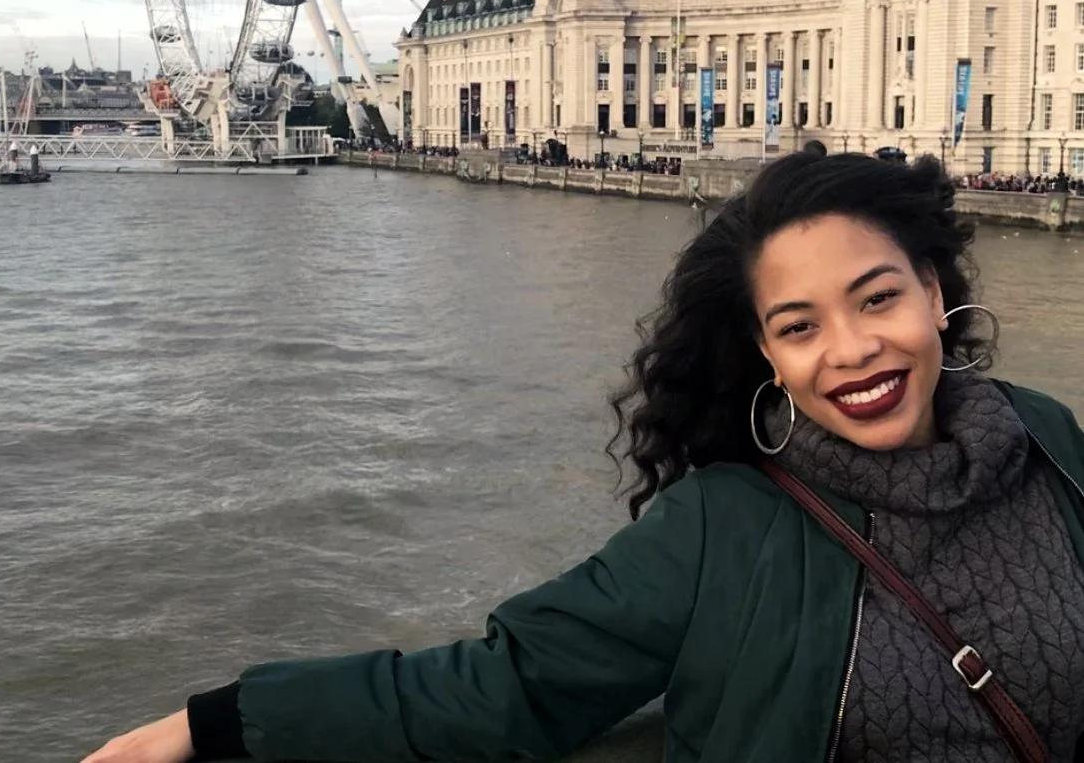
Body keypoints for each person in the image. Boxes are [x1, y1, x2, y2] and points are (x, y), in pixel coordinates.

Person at [80, 152, 1084, 763]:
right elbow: (500, 688)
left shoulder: (1044, 437)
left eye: (878, 298)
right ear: (767, 355)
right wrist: (217, 721)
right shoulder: (718, 531)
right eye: (800, 323)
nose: (855, 348)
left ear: (933, 288)